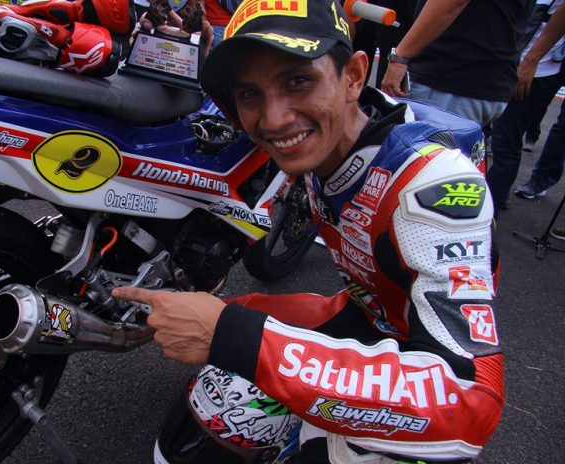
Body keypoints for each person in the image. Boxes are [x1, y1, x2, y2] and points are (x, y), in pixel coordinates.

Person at [113, 1, 504, 463]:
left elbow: (468, 401)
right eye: (250, 94)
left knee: (244, 352)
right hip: (371, 315)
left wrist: (232, 336)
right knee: (219, 398)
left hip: (424, 368)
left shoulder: (432, 184)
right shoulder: (331, 135)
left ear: (354, 76)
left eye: (297, 80)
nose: (274, 119)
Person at [380, 0, 528, 128]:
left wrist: (400, 57)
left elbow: (451, 3)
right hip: (479, 78)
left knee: (418, 147)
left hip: (451, 81)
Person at [487, 0, 565, 209]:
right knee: (488, 134)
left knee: (505, 141)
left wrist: (531, 60)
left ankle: (490, 209)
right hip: (506, 57)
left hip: (532, 68)